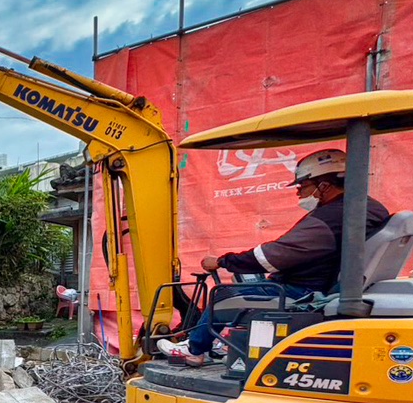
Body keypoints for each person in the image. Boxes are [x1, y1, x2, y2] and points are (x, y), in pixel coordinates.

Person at [159, 148, 391, 366]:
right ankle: (217, 343)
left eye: (303, 184)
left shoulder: (330, 216)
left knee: (223, 295)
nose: (298, 191)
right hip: (326, 284)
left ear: (324, 184)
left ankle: (195, 350)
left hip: (301, 291)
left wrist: (223, 261)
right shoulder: (367, 208)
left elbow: (274, 255)